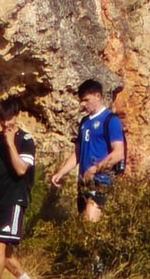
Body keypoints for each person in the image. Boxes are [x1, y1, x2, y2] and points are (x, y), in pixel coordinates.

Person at [0, 97, 39, 279]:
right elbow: (1, 168)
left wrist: (10, 143)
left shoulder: (26, 140)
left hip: (14, 199)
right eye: (2, 119)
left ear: (17, 116)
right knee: (0, 251)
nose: (6, 124)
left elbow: (21, 169)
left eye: (9, 118)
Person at [50, 79, 126, 222]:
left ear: (98, 96)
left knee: (89, 221)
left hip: (101, 181)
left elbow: (118, 153)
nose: (83, 104)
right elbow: (78, 152)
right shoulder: (84, 122)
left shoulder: (110, 120)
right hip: (83, 183)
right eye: (81, 101)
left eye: (86, 100)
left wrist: (95, 169)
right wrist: (61, 172)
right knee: (83, 225)